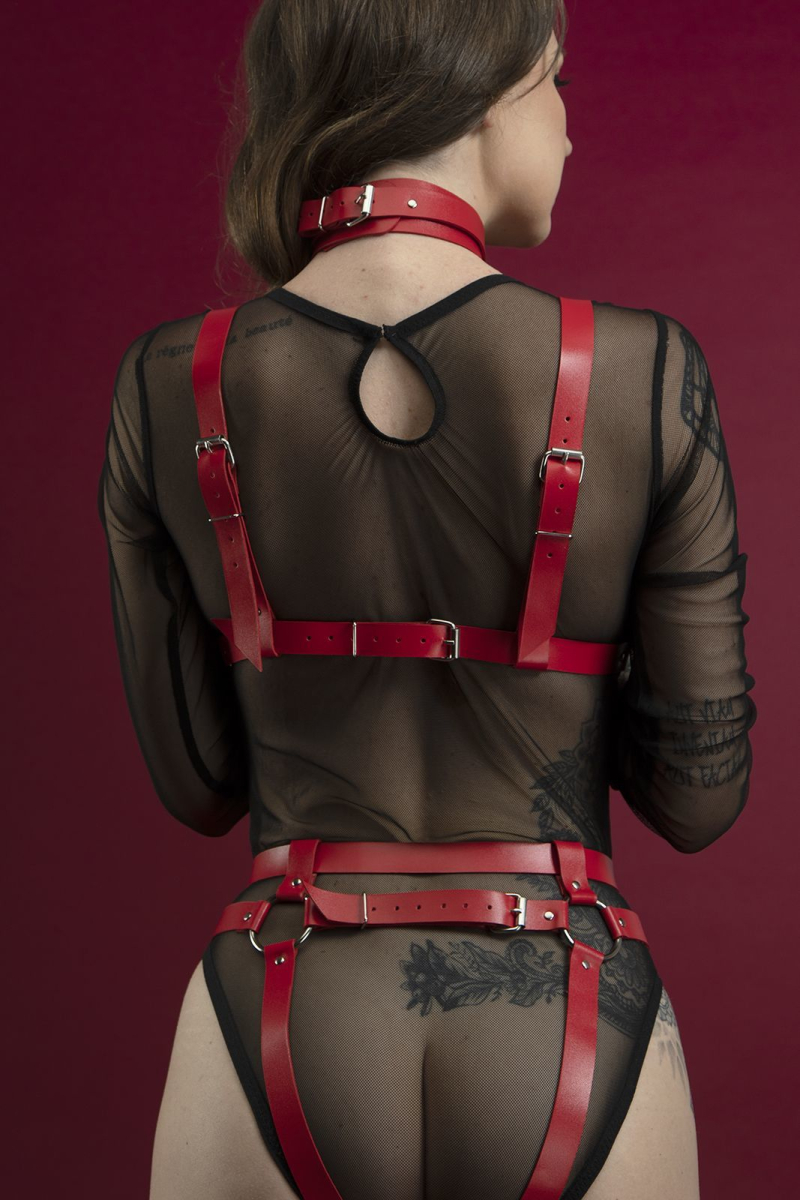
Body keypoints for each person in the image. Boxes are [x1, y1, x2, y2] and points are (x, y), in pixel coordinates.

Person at [96, 3, 757, 1198]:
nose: (568, 132)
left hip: (285, 981)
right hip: (565, 987)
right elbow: (696, 799)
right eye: (557, 83)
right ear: (485, 87)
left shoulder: (167, 383)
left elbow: (198, 782)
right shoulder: (642, 373)